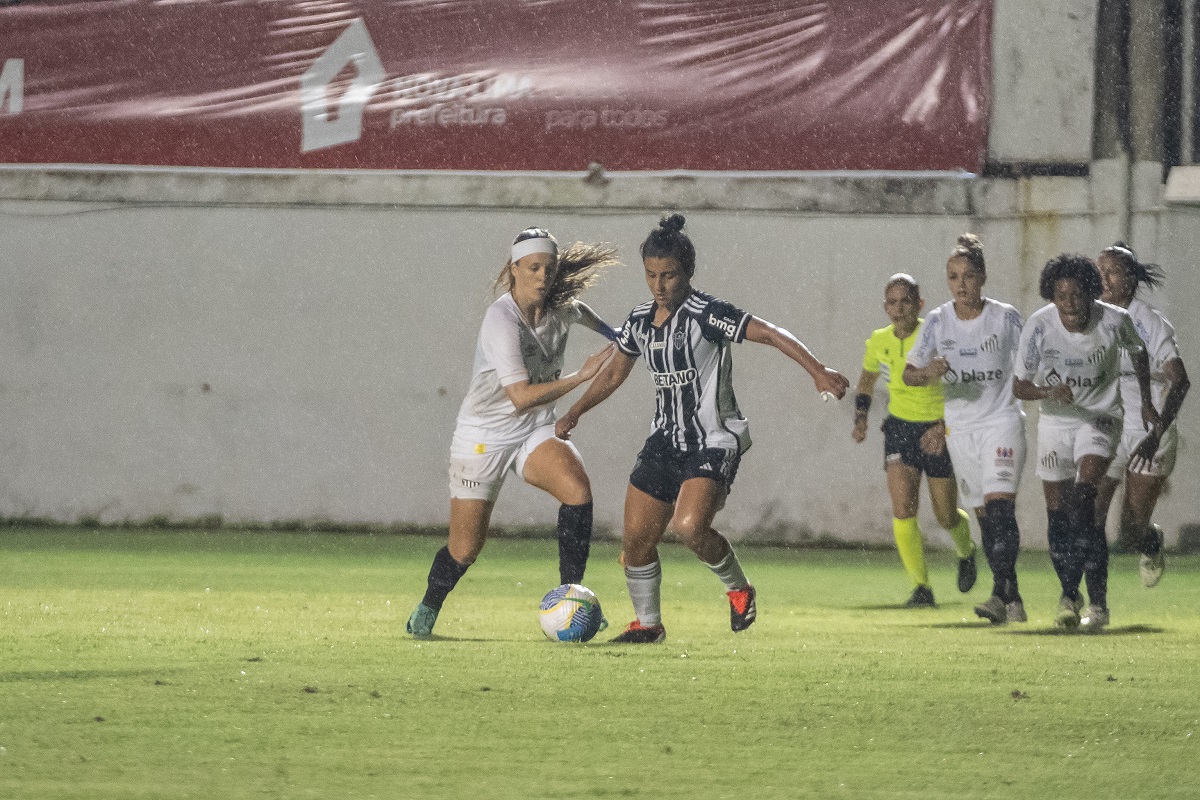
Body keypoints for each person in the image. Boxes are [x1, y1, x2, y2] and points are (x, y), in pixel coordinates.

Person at [555, 214, 849, 643]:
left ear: (687, 272)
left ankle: (738, 589)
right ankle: (648, 625)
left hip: (713, 439)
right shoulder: (638, 321)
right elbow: (615, 374)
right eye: (651, 275)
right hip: (664, 441)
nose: (659, 285)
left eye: (669, 275)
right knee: (636, 542)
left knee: (689, 527)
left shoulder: (708, 314)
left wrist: (817, 370)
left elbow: (768, 333)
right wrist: (576, 410)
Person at [406, 227, 619, 638]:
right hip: (483, 437)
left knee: (577, 490)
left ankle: (570, 596)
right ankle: (430, 604)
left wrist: (620, 336)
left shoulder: (563, 306)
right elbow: (520, 396)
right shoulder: (500, 319)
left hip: (533, 429)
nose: (542, 276)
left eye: (549, 268)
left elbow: (586, 315)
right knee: (465, 549)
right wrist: (581, 375)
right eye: (533, 267)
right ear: (514, 269)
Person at [1013, 253, 1158, 631]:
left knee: (1083, 501)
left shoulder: (1114, 321)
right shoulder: (1039, 326)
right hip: (1055, 424)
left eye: (1077, 295)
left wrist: (1144, 402)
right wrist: (1047, 390)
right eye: (1061, 296)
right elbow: (1018, 385)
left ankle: (1096, 603)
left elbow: (1139, 353)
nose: (1070, 304)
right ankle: (1072, 596)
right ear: (1052, 297)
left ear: (1091, 293)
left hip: (1100, 419)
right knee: (1059, 520)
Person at [903, 234, 1028, 623]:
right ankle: (1008, 596)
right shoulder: (938, 322)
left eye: (968, 276)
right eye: (954, 276)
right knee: (986, 521)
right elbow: (909, 375)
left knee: (1000, 508)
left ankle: (1004, 597)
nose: (961, 284)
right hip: (961, 431)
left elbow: (1031, 360)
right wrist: (927, 372)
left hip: (1002, 422)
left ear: (983, 277)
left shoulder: (1005, 317)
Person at [853, 273, 977, 608]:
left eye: (905, 301)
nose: (898, 308)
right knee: (903, 508)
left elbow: (960, 383)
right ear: (884, 306)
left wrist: (943, 423)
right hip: (900, 429)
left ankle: (966, 551)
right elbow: (866, 381)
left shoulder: (935, 334)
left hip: (938, 429)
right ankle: (921, 587)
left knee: (945, 515)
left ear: (919, 304)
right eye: (892, 302)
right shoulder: (878, 341)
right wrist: (861, 418)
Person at [1095, 242, 1190, 586]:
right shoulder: (1089, 318)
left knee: (1130, 532)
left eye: (1112, 271)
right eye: (1099, 270)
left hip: (1148, 431)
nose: (1102, 278)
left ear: (1131, 279)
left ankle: (1149, 540)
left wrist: (1156, 433)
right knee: (1091, 514)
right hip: (1106, 427)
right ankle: (1088, 598)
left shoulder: (1147, 322)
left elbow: (1180, 381)